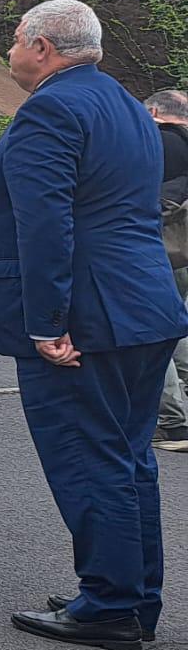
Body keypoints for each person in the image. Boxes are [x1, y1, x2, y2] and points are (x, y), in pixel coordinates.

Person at [0, 1, 188, 650]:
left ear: (42, 48)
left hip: (87, 318)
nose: (10, 51)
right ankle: (129, 594)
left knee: (88, 459)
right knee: (127, 460)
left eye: (16, 40)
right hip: (144, 306)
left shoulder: (49, 109)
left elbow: (44, 223)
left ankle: (110, 606)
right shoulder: (129, 107)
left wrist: (46, 322)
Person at [147, 89, 188, 452]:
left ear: (156, 111)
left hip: (163, 249)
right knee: (180, 327)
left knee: (153, 333)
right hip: (186, 249)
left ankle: (173, 423)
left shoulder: (157, 143)